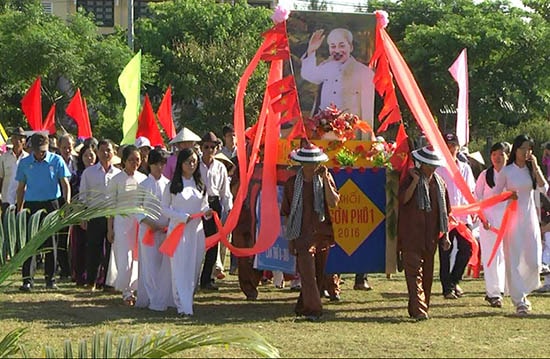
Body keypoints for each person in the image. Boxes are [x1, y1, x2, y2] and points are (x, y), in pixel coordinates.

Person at [281, 142, 340, 321]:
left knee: (318, 275)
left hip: (321, 233)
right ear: (302, 164)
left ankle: (302, 305)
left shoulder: (324, 179)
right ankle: (314, 310)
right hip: (301, 235)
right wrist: (290, 240)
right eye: (308, 162)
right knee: (307, 274)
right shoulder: (292, 184)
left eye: (315, 162)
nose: (312, 166)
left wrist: (326, 180)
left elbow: (334, 202)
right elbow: (286, 213)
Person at [493, 134, 548, 315]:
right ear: (515, 150)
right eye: (523, 148)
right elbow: (495, 194)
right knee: (514, 259)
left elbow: (544, 188)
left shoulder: (531, 169)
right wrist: (508, 196)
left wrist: (536, 166)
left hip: (530, 217)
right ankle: (520, 300)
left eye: (529, 148)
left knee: (533, 260)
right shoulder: (506, 172)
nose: (526, 152)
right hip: (512, 219)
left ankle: (525, 289)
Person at [398, 145, 451, 320]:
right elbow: (403, 200)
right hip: (411, 237)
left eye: (434, 165)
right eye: (429, 164)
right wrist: (414, 182)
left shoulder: (440, 184)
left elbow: (446, 213)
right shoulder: (408, 179)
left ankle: (418, 307)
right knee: (413, 275)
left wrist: (446, 236)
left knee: (427, 277)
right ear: (422, 164)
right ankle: (420, 309)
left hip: (431, 239)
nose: (432, 168)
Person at [16, 133, 72, 291]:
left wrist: (66, 202)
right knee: (30, 242)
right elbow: (21, 188)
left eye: (43, 150)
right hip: (31, 205)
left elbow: (65, 183)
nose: (41, 154)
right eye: (38, 150)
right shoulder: (25, 163)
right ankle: (27, 279)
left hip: (51, 204)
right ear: (32, 148)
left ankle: (50, 278)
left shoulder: (56, 160)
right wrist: (19, 208)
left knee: (51, 242)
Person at [162, 147, 212, 316]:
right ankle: (182, 306)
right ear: (181, 163)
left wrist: (207, 213)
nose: (191, 165)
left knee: (194, 267)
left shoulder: (200, 185)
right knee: (179, 267)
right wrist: (181, 216)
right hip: (178, 231)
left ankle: (187, 300)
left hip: (196, 232)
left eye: (194, 162)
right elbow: (164, 209)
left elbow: (204, 206)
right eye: (188, 162)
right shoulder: (172, 185)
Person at [301, 28, 375, 128]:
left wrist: (366, 138)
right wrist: (311, 50)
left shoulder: (364, 72)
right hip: (325, 128)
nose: (337, 50)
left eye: (342, 46)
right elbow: (308, 74)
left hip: (351, 131)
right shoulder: (327, 67)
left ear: (351, 47)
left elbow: (367, 110)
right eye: (333, 46)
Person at [105, 145, 147, 305]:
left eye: (137, 159)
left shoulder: (143, 179)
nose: (135, 163)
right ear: (124, 161)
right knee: (125, 258)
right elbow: (110, 206)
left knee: (138, 257)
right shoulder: (116, 180)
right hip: (122, 222)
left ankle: (136, 288)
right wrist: (110, 228)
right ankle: (126, 292)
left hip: (139, 222)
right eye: (131, 160)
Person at [435, 133, 475, 299]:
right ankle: (447, 288)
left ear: (458, 147)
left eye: (453, 145)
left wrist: (474, 212)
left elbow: (470, 191)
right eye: (448, 145)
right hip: (445, 216)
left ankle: (454, 280)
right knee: (445, 251)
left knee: (468, 248)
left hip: (463, 216)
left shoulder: (464, 167)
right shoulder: (438, 167)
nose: (451, 148)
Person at [79, 139, 121, 290]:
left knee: (111, 251)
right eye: (102, 150)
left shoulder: (118, 174)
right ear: (97, 152)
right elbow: (83, 195)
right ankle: (91, 281)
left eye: (108, 150)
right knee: (93, 249)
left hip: (113, 216)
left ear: (113, 152)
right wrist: (83, 216)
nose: (105, 153)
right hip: (95, 215)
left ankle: (109, 282)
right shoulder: (89, 173)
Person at [135, 148, 173, 311]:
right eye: (156, 164)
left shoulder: (169, 184)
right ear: (149, 164)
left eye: (162, 164)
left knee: (164, 265)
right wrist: (150, 224)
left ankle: (163, 297)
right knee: (150, 265)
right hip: (148, 230)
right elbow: (136, 208)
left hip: (165, 230)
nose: (159, 167)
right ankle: (152, 298)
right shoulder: (143, 184)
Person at [474, 142, 509, 308]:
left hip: (508, 222)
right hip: (488, 223)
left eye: (501, 154)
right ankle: (494, 293)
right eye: (494, 154)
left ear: (507, 156)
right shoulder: (485, 175)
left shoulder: (512, 175)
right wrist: (482, 218)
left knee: (504, 256)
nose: (497, 158)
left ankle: (502, 289)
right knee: (490, 257)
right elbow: (477, 198)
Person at [198, 132, 233, 290]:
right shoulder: (195, 165)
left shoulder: (220, 167)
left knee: (213, 244)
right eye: (206, 147)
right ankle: (192, 277)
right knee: (197, 242)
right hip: (197, 205)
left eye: (213, 147)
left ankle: (207, 279)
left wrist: (229, 209)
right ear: (201, 147)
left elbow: (225, 191)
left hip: (214, 204)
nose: (209, 150)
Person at [70, 143, 97, 286]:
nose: (89, 158)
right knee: (80, 246)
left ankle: (93, 276)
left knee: (94, 247)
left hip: (96, 213)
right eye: (86, 155)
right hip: (80, 213)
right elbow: (75, 196)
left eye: (91, 155)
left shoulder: (100, 173)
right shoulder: (76, 175)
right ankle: (79, 275)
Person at [56, 134, 78, 280]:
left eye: (69, 147)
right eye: (64, 147)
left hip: (75, 203)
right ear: (59, 147)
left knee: (75, 238)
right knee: (61, 237)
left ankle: (75, 270)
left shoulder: (77, 162)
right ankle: (64, 269)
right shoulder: (54, 161)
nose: (67, 150)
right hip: (58, 203)